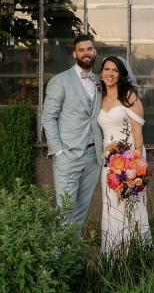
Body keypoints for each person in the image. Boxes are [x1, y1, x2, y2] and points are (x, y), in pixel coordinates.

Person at [41, 34, 103, 229]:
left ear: (95, 52)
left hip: (94, 156)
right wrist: (59, 152)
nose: (86, 53)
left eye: (89, 49)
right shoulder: (60, 81)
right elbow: (48, 117)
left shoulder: (100, 82)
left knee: (81, 212)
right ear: (74, 53)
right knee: (65, 211)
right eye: (81, 50)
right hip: (68, 155)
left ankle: (72, 257)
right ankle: (58, 258)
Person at [98, 55, 151, 252]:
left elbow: (137, 131)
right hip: (108, 162)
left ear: (120, 74)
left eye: (114, 70)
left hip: (128, 160)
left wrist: (135, 166)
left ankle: (134, 254)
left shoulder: (128, 95)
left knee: (130, 207)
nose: (110, 73)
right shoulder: (100, 96)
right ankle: (113, 256)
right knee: (111, 207)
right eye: (106, 69)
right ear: (101, 72)